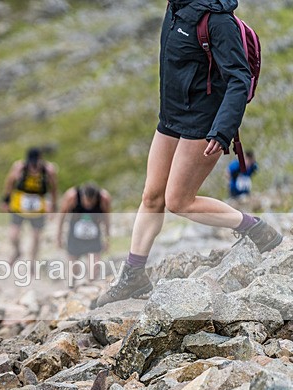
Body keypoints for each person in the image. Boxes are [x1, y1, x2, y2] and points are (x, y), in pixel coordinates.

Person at [95, 0, 281, 308]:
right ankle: (133, 275)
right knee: (152, 196)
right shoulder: (174, 9)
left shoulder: (217, 20)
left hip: (204, 122)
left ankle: (255, 228)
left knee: (178, 201)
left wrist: (222, 131)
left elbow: (239, 78)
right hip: (171, 118)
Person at [0, 147, 58, 266]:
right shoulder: (20, 167)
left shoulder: (48, 170)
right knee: (13, 235)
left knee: (36, 236)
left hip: (38, 208)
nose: (33, 166)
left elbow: (53, 188)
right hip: (19, 206)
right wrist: (6, 200)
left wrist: (53, 206)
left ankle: (33, 262)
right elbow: (10, 182)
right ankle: (17, 251)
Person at [56, 183, 111, 284]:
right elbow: (62, 216)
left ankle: (89, 285)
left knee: (95, 266)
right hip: (75, 234)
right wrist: (59, 236)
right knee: (74, 268)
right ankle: (72, 286)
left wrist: (107, 238)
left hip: (94, 235)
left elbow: (106, 218)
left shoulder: (104, 198)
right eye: (87, 201)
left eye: (91, 201)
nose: (89, 204)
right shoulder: (72, 196)